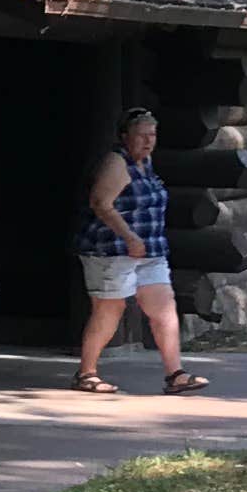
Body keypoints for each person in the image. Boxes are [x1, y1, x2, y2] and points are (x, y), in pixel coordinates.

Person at [76, 107, 208, 395]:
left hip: (150, 253)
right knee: (110, 309)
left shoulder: (145, 162)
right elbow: (101, 203)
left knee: (164, 309)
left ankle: (176, 374)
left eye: (152, 135)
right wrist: (130, 237)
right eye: (141, 136)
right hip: (111, 252)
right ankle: (86, 373)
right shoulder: (116, 163)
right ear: (125, 137)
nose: (148, 141)